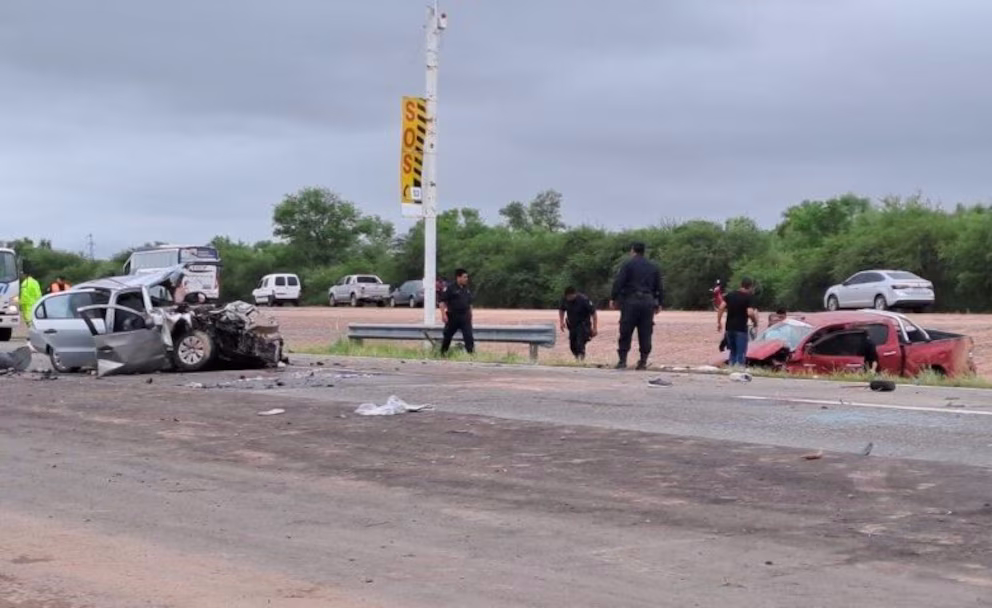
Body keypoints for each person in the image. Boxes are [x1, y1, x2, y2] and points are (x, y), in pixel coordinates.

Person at [610, 242, 662, 370]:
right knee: (646, 331)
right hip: (648, 301)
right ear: (644, 251)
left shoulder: (627, 264)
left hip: (631, 301)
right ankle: (643, 361)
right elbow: (659, 286)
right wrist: (659, 302)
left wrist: (614, 298)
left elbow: (619, 282)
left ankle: (622, 361)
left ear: (633, 251)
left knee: (625, 330)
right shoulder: (653, 266)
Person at [717, 277, 759, 367]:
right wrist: (755, 322)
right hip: (741, 329)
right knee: (741, 354)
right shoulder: (749, 297)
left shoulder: (730, 295)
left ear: (741, 285)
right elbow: (750, 312)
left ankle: (731, 368)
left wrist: (719, 322)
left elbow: (721, 307)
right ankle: (739, 370)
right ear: (750, 287)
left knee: (732, 352)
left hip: (729, 328)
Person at [440, 269, 474, 356]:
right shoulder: (450, 288)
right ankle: (443, 353)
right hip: (453, 316)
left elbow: (470, 303)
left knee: (468, 336)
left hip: (465, 316)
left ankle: (471, 355)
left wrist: (470, 314)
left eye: (467, 277)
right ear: (458, 277)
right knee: (448, 336)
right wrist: (443, 314)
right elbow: (442, 302)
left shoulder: (466, 289)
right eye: (464, 277)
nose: (466, 279)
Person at [558, 286, 598, 361]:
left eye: (570, 297)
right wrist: (561, 322)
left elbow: (594, 313)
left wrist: (595, 328)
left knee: (580, 343)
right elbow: (561, 310)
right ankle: (577, 358)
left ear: (574, 294)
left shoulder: (584, 300)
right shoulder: (565, 299)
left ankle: (581, 359)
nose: (568, 299)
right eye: (567, 297)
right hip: (572, 325)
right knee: (572, 346)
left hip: (583, 325)